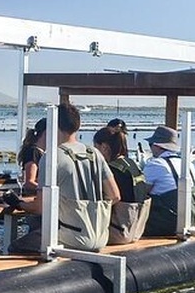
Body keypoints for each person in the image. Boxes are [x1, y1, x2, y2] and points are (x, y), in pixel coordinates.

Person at [8, 103, 120, 253]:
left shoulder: (52, 158)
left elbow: (40, 208)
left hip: (70, 238)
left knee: (15, 247)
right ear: (78, 125)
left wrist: (18, 203)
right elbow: (115, 196)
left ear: (53, 125)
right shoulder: (94, 153)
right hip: (100, 237)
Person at [141, 126, 195, 236]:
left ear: (157, 146)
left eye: (150, 145)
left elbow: (141, 192)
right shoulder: (187, 164)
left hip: (169, 222)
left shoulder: (156, 164)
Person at [92, 127, 151, 244]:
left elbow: (114, 197)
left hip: (119, 231)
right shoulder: (132, 164)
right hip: (137, 230)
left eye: (95, 148)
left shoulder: (112, 170)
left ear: (104, 147)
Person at [16, 117, 46, 195]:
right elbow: (29, 183)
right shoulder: (33, 152)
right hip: (33, 197)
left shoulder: (41, 152)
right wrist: (48, 192)